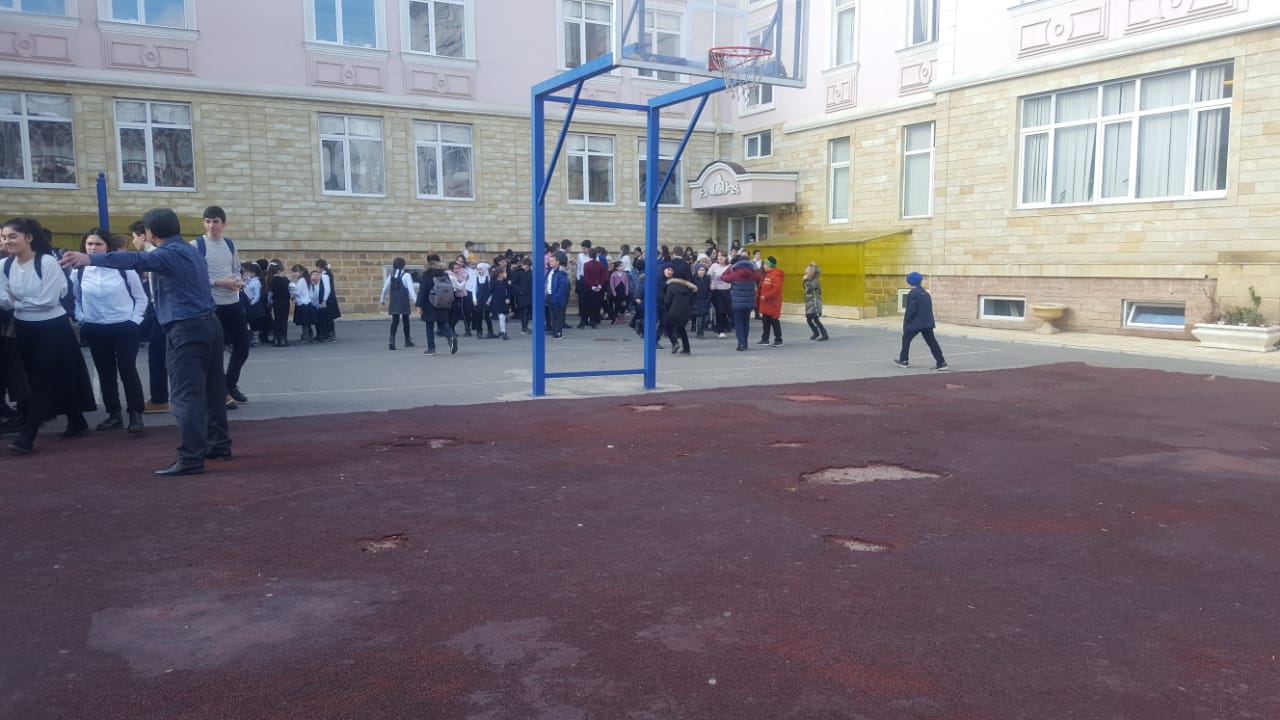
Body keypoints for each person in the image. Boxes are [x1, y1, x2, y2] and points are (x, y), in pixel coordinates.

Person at [59, 208, 231, 475]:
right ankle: (218, 443)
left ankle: (190, 458)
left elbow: (134, 259)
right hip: (208, 324)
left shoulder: (167, 254)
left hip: (186, 329)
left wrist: (89, 257)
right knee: (212, 389)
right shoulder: (188, 250)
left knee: (184, 395)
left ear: (150, 232)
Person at [0, 218, 97, 454]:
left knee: (41, 381)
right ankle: (76, 420)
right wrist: (20, 302)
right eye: (3, 237)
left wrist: (17, 301)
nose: (6, 241)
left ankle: (28, 435)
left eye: (12, 236)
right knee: (50, 377)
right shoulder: (4, 265)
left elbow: (49, 300)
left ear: (28, 238)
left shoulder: (47, 262)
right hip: (23, 329)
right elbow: (3, 300)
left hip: (53, 328)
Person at [71, 228, 148, 434]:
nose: (93, 248)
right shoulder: (79, 271)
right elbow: (76, 298)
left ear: (108, 247)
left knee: (127, 369)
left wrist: (134, 321)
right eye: (89, 244)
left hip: (124, 326)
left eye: (98, 244)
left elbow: (141, 298)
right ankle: (114, 414)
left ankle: (135, 414)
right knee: (105, 373)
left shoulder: (124, 268)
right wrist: (82, 318)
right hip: (95, 327)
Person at [195, 206, 250, 408]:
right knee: (215, 351)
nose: (212, 225)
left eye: (216, 221)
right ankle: (221, 393)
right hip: (211, 305)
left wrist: (236, 281)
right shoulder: (197, 245)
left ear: (223, 223)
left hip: (232, 302)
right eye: (208, 221)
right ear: (204, 223)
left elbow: (236, 269)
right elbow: (194, 276)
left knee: (243, 347)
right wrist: (218, 283)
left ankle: (230, 383)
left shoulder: (229, 244)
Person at [895, 271, 948, 371]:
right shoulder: (926, 293)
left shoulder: (913, 293)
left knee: (906, 338)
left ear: (910, 282)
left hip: (916, 323)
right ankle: (941, 362)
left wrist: (907, 321)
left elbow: (911, 310)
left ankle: (904, 360)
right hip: (926, 323)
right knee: (932, 342)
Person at [415, 254, 457, 355]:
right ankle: (451, 336)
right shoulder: (444, 274)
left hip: (429, 304)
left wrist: (419, 305)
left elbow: (422, 291)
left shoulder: (426, 275)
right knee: (442, 324)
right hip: (443, 302)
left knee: (429, 326)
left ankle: (431, 349)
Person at [720, 254, 761, 352]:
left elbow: (723, 277)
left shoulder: (734, 273)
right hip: (749, 302)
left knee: (738, 323)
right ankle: (745, 343)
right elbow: (759, 276)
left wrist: (730, 267)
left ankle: (741, 344)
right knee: (746, 322)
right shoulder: (753, 273)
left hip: (737, 303)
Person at [662, 260, 696, 355]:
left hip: (674, 311)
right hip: (686, 312)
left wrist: (665, 309)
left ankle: (675, 342)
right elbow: (692, 300)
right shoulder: (688, 288)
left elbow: (667, 301)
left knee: (667, 325)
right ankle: (686, 349)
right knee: (681, 328)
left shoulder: (671, 287)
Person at [379, 258, 415, 350]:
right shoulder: (406, 275)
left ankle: (392, 340)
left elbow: (385, 288)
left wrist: (382, 299)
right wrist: (416, 301)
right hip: (403, 301)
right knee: (406, 320)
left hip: (394, 301)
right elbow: (411, 289)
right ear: (403, 265)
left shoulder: (391, 275)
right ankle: (407, 340)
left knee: (395, 321)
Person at [756, 256, 785, 347]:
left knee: (774, 321)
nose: (763, 266)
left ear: (769, 265)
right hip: (766, 303)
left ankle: (778, 340)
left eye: (765, 264)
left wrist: (766, 296)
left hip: (773, 303)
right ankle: (765, 339)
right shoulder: (766, 274)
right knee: (765, 321)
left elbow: (777, 289)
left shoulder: (776, 275)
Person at [267, 259, 292, 347]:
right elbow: (292, 288)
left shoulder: (271, 279)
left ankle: (276, 339)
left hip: (276, 301)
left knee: (277, 320)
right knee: (283, 320)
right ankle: (283, 339)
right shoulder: (285, 279)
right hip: (285, 301)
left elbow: (270, 292)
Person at [314, 258, 341, 342]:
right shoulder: (327, 274)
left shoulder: (325, 276)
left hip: (328, 299)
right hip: (330, 298)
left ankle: (330, 335)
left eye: (317, 267)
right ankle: (327, 334)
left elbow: (327, 289)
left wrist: (324, 300)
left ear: (319, 267)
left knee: (328, 318)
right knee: (327, 317)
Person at [546, 251, 570, 338]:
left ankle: (558, 332)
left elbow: (562, 286)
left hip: (557, 297)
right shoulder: (549, 272)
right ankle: (554, 331)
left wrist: (557, 296)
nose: (550, 262)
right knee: (552, 315)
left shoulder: (561, 273)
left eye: (552, 261)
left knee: (558, 315)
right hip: (549, 295)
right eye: (550, 260)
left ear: (557, 262)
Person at [803, 262, 828, 341]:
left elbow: (809, 287)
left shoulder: (815, 281)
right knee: (809, 319)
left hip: (815, 304)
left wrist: (805, 279)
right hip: (810, 303)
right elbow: (806, 288)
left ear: (811, 273)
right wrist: (806, 280)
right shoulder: (809, 280)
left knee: (816, 319)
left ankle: (824, 334)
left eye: (807, 273)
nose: (806, 274)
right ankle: (816, 332)